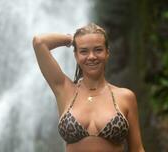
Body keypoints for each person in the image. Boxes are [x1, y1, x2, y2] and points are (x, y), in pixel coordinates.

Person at [33, 23, 145, 152]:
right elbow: (39, 42)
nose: (91, 57)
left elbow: (137, 149)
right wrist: (71, 39)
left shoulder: (125, 97)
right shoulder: (64, 90)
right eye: (84, 51)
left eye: (98, 50)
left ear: (107, 53)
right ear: (76, 55)